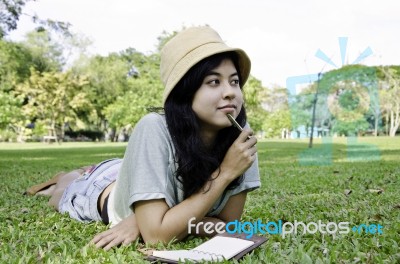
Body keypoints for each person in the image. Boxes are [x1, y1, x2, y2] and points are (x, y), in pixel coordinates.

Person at [26, 26, 260, 251]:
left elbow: (226, 225)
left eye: (234, 81)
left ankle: (94, 171)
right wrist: (225, 173)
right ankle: (68, 177)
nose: (230, 92)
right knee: (59, 197)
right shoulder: (154, 127)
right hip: (102, 190)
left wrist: (148, 220)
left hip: (131, 175)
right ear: (185, 91)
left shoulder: (239, 139)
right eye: (213, 82)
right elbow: (158, 238)